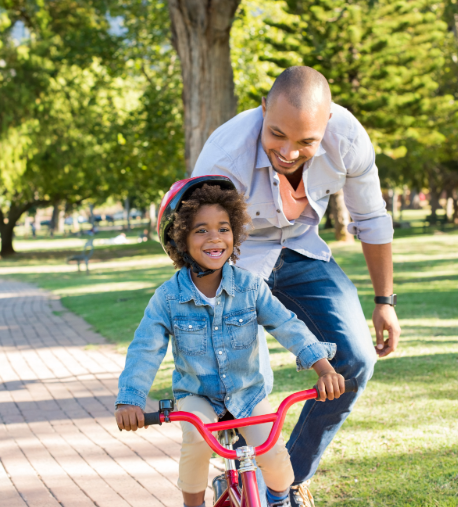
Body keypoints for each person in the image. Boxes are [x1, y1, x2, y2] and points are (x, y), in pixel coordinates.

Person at [191, 66, 402, 506]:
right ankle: (240, 472)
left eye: (306, 141)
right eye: (277, 135)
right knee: (236, 378)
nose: (288, 151)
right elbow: (200, 239)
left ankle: (284, 483)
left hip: (303, 249)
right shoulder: (223, 157)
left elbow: (371, 219)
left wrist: (384, 301)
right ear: (263, 108)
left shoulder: (348, 139)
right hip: (235, 256)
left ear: (326, 125)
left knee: (356, 360)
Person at [114, 176, 346, 507]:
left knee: (275, 456)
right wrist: (130, 401)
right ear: (179, 240)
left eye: (224, 228)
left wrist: (323, 369)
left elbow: (286, 324)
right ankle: (193, 504)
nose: (215, 238)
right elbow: (144, 350)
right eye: (201, 230)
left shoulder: (250, 287)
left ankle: (279, 500)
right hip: (198, 396)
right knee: (195, 438)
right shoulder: (167, 298)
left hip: (247, 393)